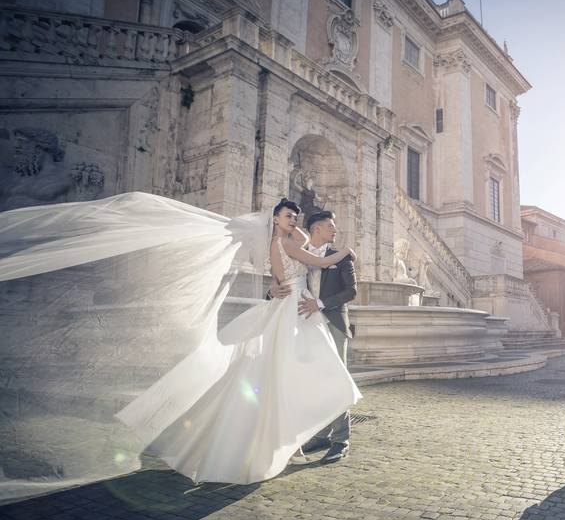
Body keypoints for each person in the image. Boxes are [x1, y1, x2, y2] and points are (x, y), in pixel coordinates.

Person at [0, 193, 362, 495]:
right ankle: (300, 441)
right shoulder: (281, 242)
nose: (292, 220)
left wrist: (296, 267)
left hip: (300, 312)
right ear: (275, 219)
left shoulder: (294, 237)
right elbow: (302, 267)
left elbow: (300, 265)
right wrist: (343, 252)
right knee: (289, 375)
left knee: (291, 374)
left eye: (295, 216)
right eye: (287, 216)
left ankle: (307, 439)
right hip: (293, 311)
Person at [272, 209, 356, 463]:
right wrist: (272, 289)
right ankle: (320, 434)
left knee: (336, 380)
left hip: (333, 323)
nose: (335, 230)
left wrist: (319, 303)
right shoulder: (301, 254)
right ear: (316, 229)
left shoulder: (341, 258)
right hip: (305, 324)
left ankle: (341, 440)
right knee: (312, 382)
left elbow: (351, 292)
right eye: (330, 226)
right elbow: (286, 279)